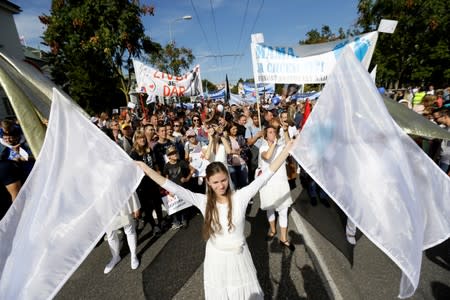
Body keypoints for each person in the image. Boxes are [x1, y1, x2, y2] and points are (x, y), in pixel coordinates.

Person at [135, 139, 294, 299]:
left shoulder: (241, 196)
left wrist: (287, 149)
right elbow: (172, 186)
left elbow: (266, 175)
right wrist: (146, 169)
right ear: (209, 183)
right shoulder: (202, 201)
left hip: (240, 257)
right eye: (215, 182)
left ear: (228, 178)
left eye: (224, 180)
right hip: (216, 259)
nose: (221, 185)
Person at [258, 125, 295, 251]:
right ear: (265, 135)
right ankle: (273, 230)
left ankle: (283, 238)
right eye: (270, 132)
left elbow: (290, 144)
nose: (273, 134)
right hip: (268, 184)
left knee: (283, 211)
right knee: (270, 209)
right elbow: (267, 157)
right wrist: (273, 144)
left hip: (281, 183)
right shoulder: (262, 148)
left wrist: (285, 131)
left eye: (274, 132)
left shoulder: (280, 148)